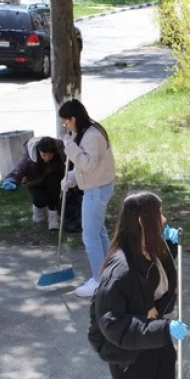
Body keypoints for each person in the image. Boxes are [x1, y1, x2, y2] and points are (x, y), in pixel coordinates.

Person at [87, 191, 189, 379]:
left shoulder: (151, 249)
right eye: (159, 214)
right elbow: (112, 323)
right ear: (143, 222)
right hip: (132, 358)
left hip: (156, 347)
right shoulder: (120, 270)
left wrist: (170, 248)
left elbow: (154, 280)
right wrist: (161, 329)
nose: (164, 219)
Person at [59, 99, 117, 298]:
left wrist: (69, 147)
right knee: (98, 232)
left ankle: (99, 281)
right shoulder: (84, 132)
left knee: (90, 236)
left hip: (97, 190)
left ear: (73, 119)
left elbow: (89, 164)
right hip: (96, 187)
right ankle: (110, 272)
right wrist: (71, 178)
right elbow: (86, 166)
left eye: (65, 122)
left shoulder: (92, 136)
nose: (65, 126)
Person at [0, 136, 67, 230]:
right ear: (39, 151)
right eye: (44, 155)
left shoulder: (60, 150)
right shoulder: (28, 156)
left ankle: (53, 220)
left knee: (54, 194)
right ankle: (38, 212)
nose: (47, 158)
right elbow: (20, 168)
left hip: (52, 177)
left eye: (50, 155)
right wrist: (11, 179)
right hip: (34, 181)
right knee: (41, 200)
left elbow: (69, 162)